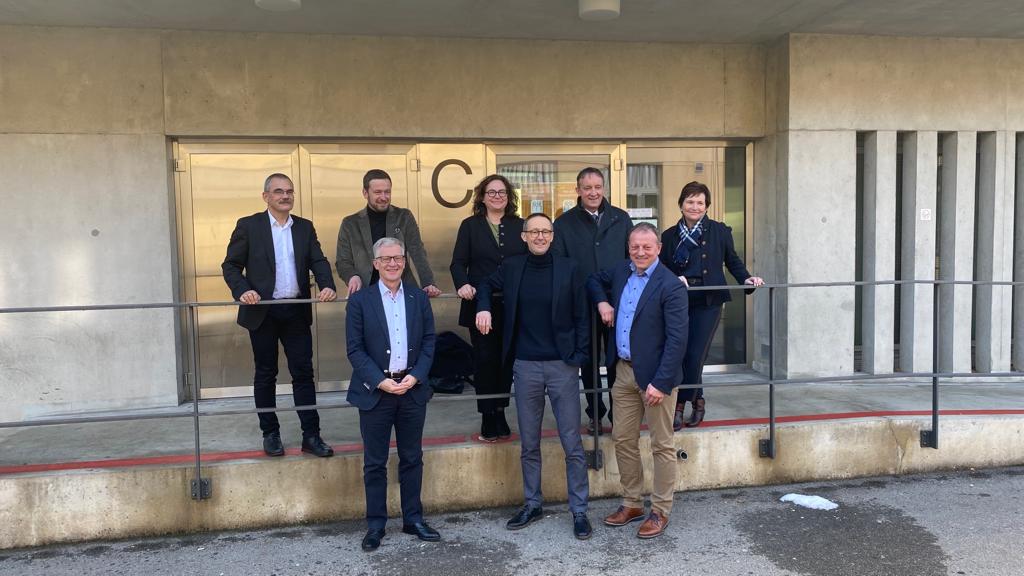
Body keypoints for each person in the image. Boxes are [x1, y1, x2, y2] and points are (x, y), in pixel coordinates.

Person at [476, 213, 593, 540]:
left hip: (561, 366)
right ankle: (532, 503)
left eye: (545, 231)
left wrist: (578, 357)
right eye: (534, 232)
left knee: (571, 442)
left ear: (552, 236)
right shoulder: (513, 267)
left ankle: (579, 510)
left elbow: (582, 316)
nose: (540, 236)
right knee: (529, 442)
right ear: (524, 236)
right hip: (525, 365)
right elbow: (485, 284)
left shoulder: (569, 268)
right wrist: (483, 307)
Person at [222, 173, 338, 458]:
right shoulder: (249, 226)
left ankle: (311, 435)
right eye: (278, 191)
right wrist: (243, 291)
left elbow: (318, 260)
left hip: (295, 310)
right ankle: (270, 434)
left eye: (289, 191)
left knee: (303, 373)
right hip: (262, 311)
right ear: (266, 197)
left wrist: (327, 284)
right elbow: (231, 266)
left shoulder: (304, 227)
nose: (285, 196)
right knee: (266, 373)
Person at [586, 222, 688, 539]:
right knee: (623, 439)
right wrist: (603, 302)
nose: (640, 252)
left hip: (656, 377)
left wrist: (661, 382)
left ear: (658, 248)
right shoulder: (621, 272)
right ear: (628, 248)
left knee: (662, 445)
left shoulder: (670, 285)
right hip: (624, 372)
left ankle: (660, 510)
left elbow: (677, 340)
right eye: (635, 246)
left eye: (647, 247)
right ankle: (632, 503)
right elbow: (593, 279)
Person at [346, 237, 439, 552]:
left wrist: (416, 376)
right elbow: (355, 350)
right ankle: (376, 525)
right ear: (375, 264)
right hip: (377, 393)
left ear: (404, 261)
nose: (392, 263)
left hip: (412, 390)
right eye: (385, 259)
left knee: (412, 457)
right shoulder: (360, 301)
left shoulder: (418, 297)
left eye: (398, 258)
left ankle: (413, 519)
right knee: (375, 462)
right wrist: (379, 381)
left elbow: (429, 341)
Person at [659, 181, 763, 430]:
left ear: (706, 206)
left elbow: (733, 261)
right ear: (681, 204)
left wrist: (746, 279)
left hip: (709, 301)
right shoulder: (669, 236)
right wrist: (674, 278)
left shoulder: (719, 231)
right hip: (678, 301)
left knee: (696, 354)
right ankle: (699, 400)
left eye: (700, 202)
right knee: (681, 353)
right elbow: (661, 268)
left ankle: (680, 404)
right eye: (690, 202)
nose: (695, 206)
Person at [552, 167, 632, 432]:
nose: (593, 192)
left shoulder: (621, 218)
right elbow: (560, 266)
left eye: (598, 187)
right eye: (587, 188)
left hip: (617, 302)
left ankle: (619, 415)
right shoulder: (563, 224)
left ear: (604, 188)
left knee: (616, 359)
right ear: (578, 190)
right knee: (587, 362)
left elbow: (631, 259)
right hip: (581, 304)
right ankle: (595, 413)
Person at [449, 174, 527, 442]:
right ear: (482, 197)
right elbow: (458, 263)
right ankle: (487, 415)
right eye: (491, 192)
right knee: (485, 361)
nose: (497, 196)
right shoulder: (470, 226)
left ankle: (501, 410)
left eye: (502, 192)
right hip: (479, 305)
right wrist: (462, 284)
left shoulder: (520, 225)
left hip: (511, 306)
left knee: (506, 361)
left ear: (509, 196)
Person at [336, 169, 441, 298]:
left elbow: (418, 252)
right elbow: (343, 261)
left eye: (387, 192)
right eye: (378, 192)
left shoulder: (404, 217)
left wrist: (428, 283)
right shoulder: (350, 224)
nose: (384, 197)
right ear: (365, 193)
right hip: (365, 294)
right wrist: (353, 276)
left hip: (401, 293)